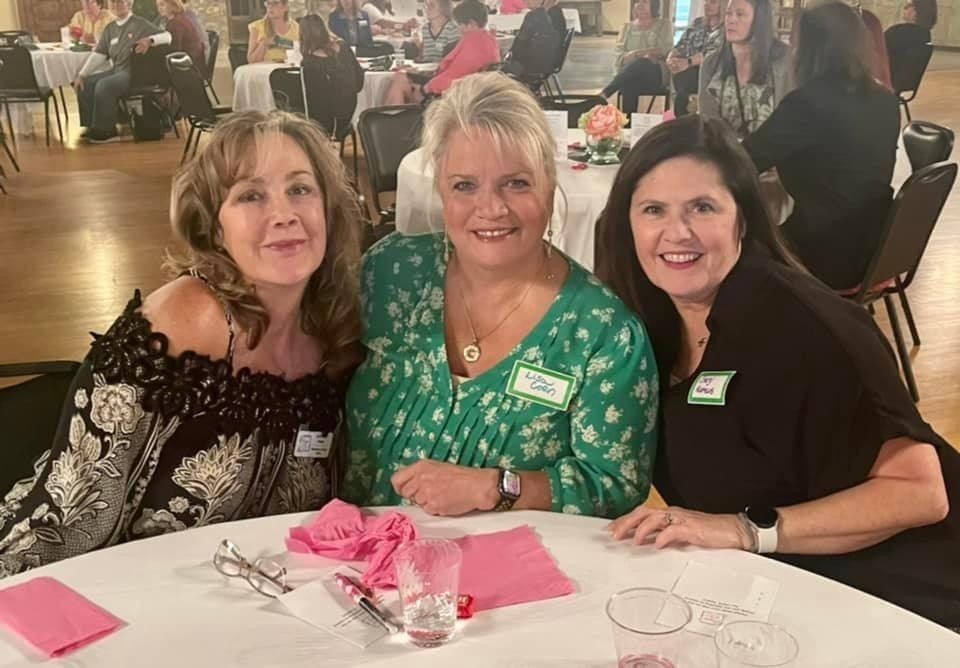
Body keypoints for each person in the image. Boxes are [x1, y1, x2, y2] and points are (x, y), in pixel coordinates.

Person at [594, 114, 960, 630]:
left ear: (741, 217)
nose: (677, 232)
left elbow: (921, 493)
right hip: (776, 596)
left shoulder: (805, 327)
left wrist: (746, 530)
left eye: (703, 207)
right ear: (626, 222)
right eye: (654, 209)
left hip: (901, 603)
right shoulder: (647, 323)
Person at [0, 111, 364, 578]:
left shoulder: (337, 334)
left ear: (327, 209)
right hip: (108, 594)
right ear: (214, 228)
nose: (284, 215)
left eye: (300, 189)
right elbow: (69, 520)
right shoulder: (185, 324)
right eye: (251, 195)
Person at [344, 73, 658, 519]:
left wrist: (498, 486)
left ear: (549, 186)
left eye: (516, 183)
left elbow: (615, 484)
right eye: (465, 186)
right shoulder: (390, 271)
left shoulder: (603, 333)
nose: (490, 208)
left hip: (512, 577)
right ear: (441, 191)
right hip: (354, 563)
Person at [743, 2, 900, 290]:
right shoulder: (886, 100)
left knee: (732, 250)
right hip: (875, 247)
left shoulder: (807, 103)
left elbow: (745, 160)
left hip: (823, 252)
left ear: (808, 49)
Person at [73, 0, 172, 143]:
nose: (115, 5)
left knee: (104, 85)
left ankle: (108, 130)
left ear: (129, 4)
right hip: (117, 69)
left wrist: (150, 40)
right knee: (86, 84)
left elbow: (168, 36)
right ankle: (92, 126)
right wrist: (81, 75)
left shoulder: (139, 24)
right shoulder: (110, 28)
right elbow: (99, 54)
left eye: (120, 1)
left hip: (132, 72)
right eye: (112, 2)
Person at [698, 0, 791, 138]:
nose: (731, 19)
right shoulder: (712, 64)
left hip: (772, 154)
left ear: (759, 20)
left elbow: (791, 117)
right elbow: (708, 123)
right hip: (726, 153)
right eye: (728, 13)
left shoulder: (784, 61)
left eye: (740, 14)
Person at [383, 0, 499, 105]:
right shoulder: (489, 40)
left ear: (471, 23)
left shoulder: (473, 44)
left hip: (448, 96)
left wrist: (425, 89)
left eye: (461, 25)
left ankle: (390, 124)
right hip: (465, 91)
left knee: (399, 81)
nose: (459, 29)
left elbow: (453, 77)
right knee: (400, 78)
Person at [600, 0, 673, 115]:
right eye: (637, 1)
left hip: (655, 75)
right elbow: (619, 54)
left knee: (642, 63)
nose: (640, 4)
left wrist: (635, 54)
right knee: (631, 81)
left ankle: (605, 93)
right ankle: (630, 124)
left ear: (653, 5)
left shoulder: (664, 24)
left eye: (644, 2)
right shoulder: (626, 27)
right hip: (630, 75)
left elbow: (665, 49)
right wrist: (644, 55)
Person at [300, 14, 364, 140]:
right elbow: (359, 83)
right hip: (346, 115)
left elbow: (313, 101)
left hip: (326, 122)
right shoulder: (344, 47)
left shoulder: (309, 63)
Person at [666, 0, 723, 116]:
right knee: (681, 74)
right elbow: (680, 45)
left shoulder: (725, 28)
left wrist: (688, 62)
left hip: (708, 71)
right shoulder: (697, 23)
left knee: (686, 75)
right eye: (706, 2)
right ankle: (684, 112)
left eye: (712, 2)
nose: (707, 5)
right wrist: (670, 58)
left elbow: (712, 54)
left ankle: (684, 114)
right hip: (685, 70)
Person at [886, 0, 938, 92]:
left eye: (908, 5)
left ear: (917, 10)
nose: (904, 8)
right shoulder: (925, 35)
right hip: (904, 83)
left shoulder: (897, 32)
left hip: (886, 79)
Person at [502, 0, 561, 79]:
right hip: (548, 64)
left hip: (526, 67)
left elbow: (518, 46)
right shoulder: (556, 14)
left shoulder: (533, 16)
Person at [156, 0, 205, 74]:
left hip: (188, 68)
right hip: (189, 63)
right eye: (158, 6)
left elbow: (175, 49)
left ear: (173, 5)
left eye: (162, 5)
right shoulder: (178, 19)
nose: (159, 8)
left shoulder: (176, 23)